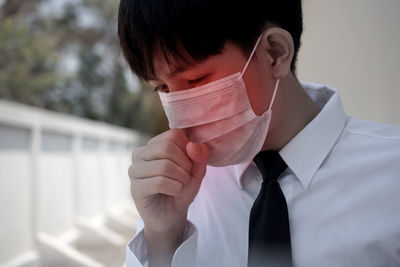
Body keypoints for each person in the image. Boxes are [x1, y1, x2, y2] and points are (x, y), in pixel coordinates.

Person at [118, 0, 400, 266]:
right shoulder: (176, 191)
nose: (179, 122)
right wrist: (162, 238)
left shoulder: (392, 172)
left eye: (196, 79)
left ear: (275, 53)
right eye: (163, 89)